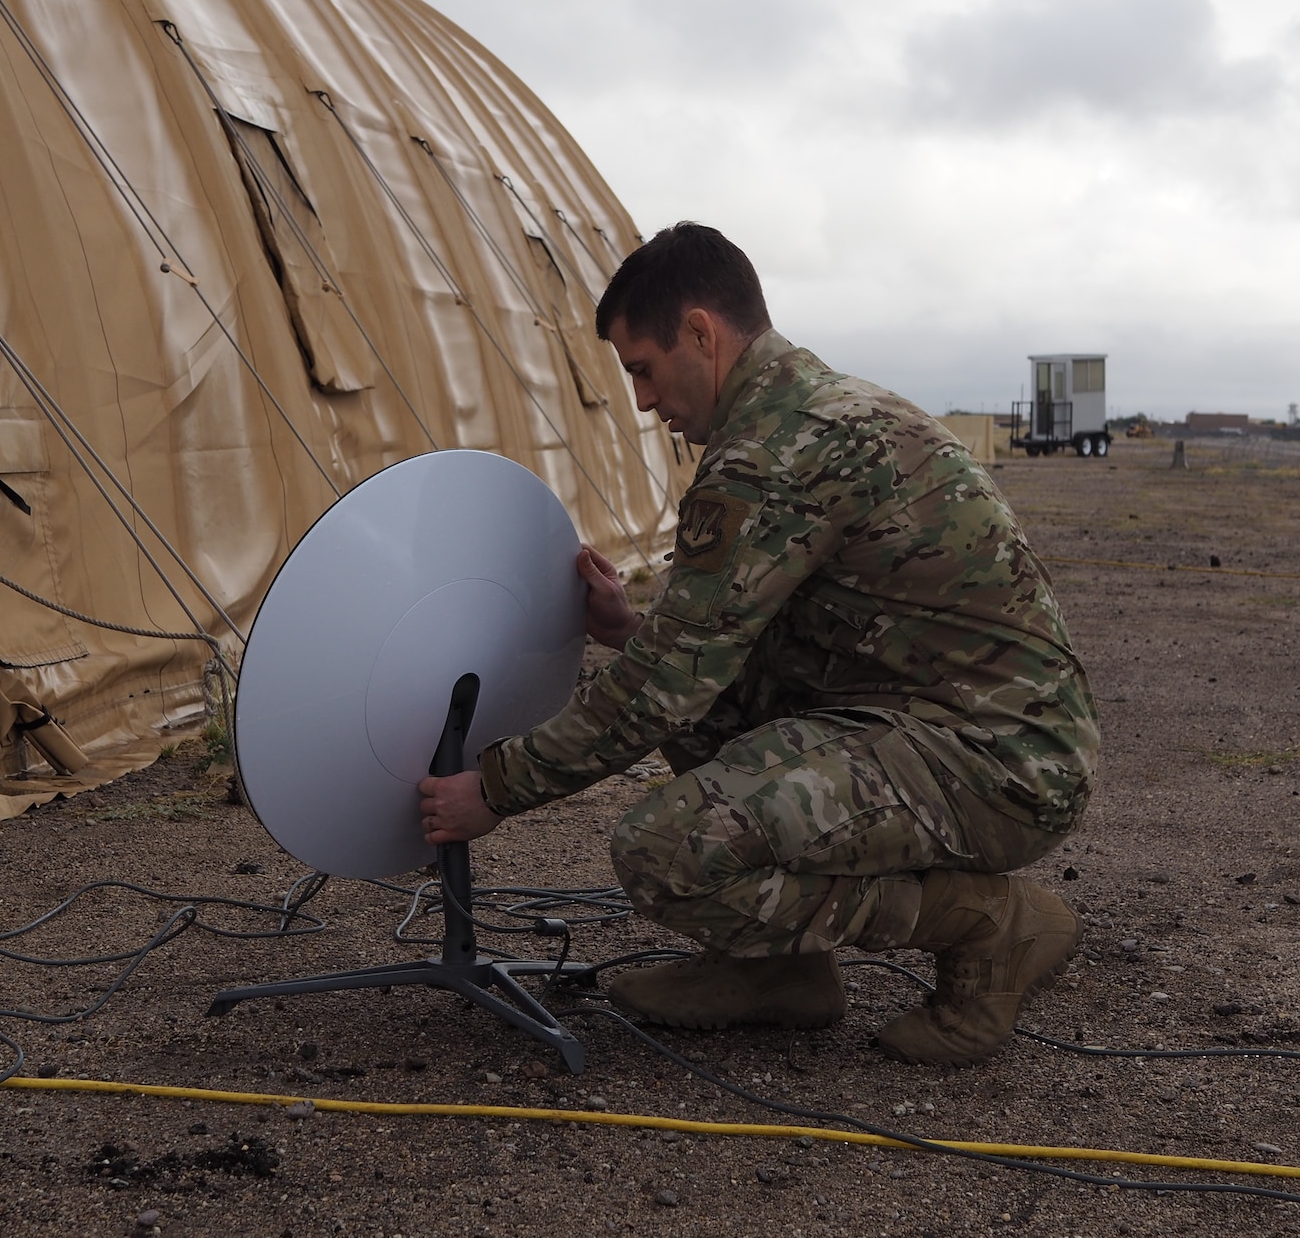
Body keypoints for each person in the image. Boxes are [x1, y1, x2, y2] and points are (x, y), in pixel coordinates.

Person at [418, 222, 1098, 1066]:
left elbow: (667, 680)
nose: (641, 400)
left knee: (666, 847)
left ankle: (991, 926)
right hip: (965, 729)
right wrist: (631, 630)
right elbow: (699, 655)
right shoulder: (819, 409)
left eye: (643, 368)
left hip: (997, 764)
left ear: (701, 334)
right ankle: (777, 972)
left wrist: (496, 787)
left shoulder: (771, 453)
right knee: (698, 721)